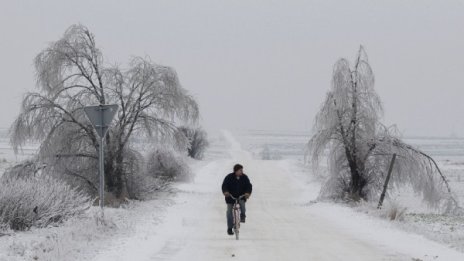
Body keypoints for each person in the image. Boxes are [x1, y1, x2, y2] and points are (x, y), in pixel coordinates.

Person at [221, 163, 252, 235]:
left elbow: (249, 186)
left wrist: (247, 193)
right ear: (236, 171)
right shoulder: (229, 177)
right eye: (240, 170)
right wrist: (225, 192)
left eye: (242, 170)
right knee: (229, 212)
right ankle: (229, 228)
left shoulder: (245, 177)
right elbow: (224, 185)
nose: (242, 171)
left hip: (241, 196)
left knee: (242, 204)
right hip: (230, 197)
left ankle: (243, 215)